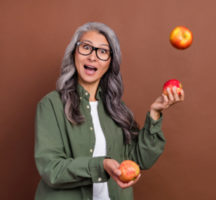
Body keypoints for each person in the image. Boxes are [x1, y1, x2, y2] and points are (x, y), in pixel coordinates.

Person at [34, 22, 184, 200]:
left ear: (111, 62)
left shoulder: (116, 108)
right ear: (74, 53)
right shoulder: (51, 105)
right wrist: (101, 165)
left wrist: (155, 113)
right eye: (86, 48)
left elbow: (140, 160)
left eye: (103, 51)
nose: (93, 57)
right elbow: (52, 169)